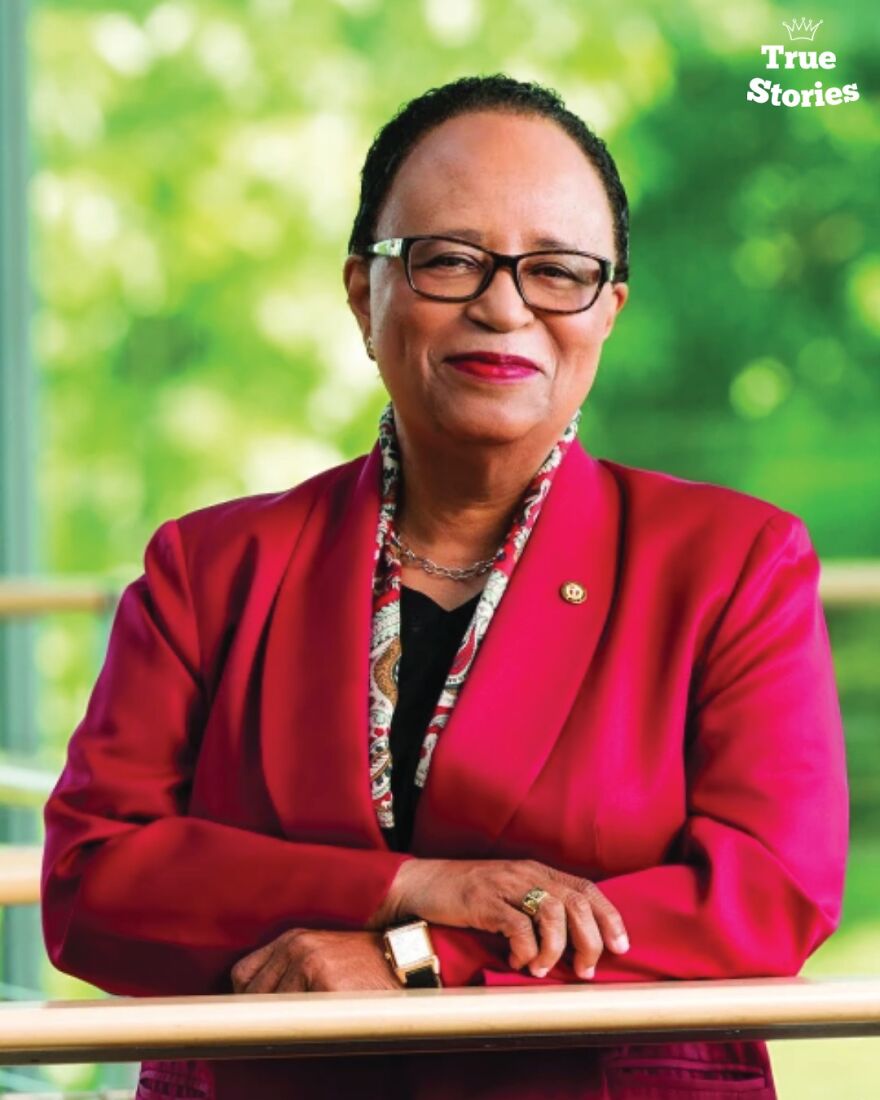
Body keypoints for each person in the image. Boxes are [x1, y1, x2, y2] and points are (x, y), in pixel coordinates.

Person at [41, 74, 848, 1100]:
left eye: (557, 270)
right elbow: (92, 886)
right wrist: (409, 886)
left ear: (609, 310)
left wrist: (416, 959)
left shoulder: (733, 560)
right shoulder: (206, 569)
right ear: (360, 290)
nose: (503, 304)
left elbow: (764, 895)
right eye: (449, 259)